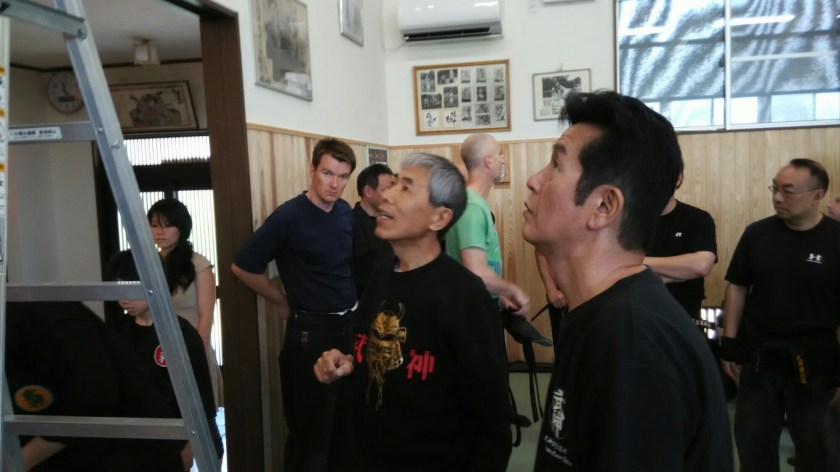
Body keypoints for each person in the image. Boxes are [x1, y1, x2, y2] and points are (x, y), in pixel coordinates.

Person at [523, 91, 732, 470]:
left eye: (555, 165)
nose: (533, 181)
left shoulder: (631, 342)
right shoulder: (599, 315)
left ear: (604, 206)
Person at [313, 153, 513, 471]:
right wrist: (345, 362)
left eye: (405, 188)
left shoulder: (463, 294)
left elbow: (492, 418)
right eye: (392, 184)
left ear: (439, 218)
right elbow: (367, 353)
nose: (387, 195)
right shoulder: (381, 274)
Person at [231, 137, 357, 472]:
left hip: (348, 327)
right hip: (310, 332)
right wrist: (280, 298)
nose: (334, 183)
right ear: (312, 170)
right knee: (310, 434)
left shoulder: (345, 212)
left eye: (342, 176)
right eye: (327, 173)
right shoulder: (289, 217)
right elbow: (242, 266)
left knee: (346, 428)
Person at [720, 158, 840, 472]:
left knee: (817, 450)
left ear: (817, 195)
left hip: (817, 362)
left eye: (787, 191)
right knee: (753, 445)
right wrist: (729, 344)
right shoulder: (757, 234)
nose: (777, 197)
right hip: (760, 356)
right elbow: (737, 287)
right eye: (774, 188)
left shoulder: (835, 238)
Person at [6, 301, 184, 472]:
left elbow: (92, 402)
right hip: (76, 451)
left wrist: (18, 461)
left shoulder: (48, 320)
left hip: (126, 451)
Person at [106, 250, 224, 470]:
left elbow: (201, 398)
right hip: (128, 438)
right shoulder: (113, 332)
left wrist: (189, 446)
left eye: (131, 286)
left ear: (155, 282)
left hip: (173, 435)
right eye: (119, 286)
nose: (124, 297)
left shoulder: (182, 334)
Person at [148, 197, 223, 409]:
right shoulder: (148, 264)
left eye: (167, 225)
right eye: (154, 225)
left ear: (181, 227)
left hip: (191, 348)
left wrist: (195, 354)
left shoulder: (199, 264)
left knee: (197, 415)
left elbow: (206, 316)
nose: (160, 232)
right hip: (155, 349)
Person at [445, 133, 530, 316]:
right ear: (488, 161)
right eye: (500, 154)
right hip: (470, 308)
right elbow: (476, 272)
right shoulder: (472, 207)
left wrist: (498, 295)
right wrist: (512, 290)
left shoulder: (474, 203)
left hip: (480, 301)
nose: (502, 160)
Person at [644, 172, 717, 322]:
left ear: (678, 178)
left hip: (682, 321)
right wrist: (679, 274)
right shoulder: (626, 220)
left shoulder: (697, 218)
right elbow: (611, 269)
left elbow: (701, 266)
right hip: (635, 317)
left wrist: (637, 262)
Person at [352, 163, 395, 298]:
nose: (392, 195)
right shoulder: (350, 223)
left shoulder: (392, 219)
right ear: (368, 192)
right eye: (387, 189)